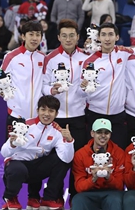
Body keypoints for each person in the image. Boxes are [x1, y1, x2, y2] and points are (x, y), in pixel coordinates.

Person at [42, 19, 89, 200]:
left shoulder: (86, 58)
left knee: (78, 162)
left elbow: (93, 85)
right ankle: (54, 199)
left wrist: (86, 88)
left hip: (79, 117)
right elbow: (43, 86)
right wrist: (51, 91)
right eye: (64, 35)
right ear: (58, 37)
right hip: (57, 119)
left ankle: (76, 199)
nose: (68, 39)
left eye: (72, 35)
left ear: (78, 37)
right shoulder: (51, 58)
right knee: (58, 163)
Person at [1, 95, 74, 209]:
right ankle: (10, 197)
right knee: (18, 169)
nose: (46, 114)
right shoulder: (25, 125)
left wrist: (69, 141)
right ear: (37, 110)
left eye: (51, 111)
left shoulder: (57, 131)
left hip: (36, 168)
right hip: (17, 165)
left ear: (56, 114)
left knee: (61, 161)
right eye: (43, 109)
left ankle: (48, 198)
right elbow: (4, 153)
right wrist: (12, 144)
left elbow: (67, 159)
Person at [0, 20, 44, 140]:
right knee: (12, 152)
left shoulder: (43, 58)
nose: (34, 38)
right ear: (23, 36)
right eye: (31, 34)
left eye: (38, 34)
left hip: (37, 117)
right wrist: (4, 92)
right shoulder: (11, 56)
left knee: (35, 154)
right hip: (16, 115)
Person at [71, 118, 125, 210]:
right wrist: (93, 178)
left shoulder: (119, 153)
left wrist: (108, 177)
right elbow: (79, 187)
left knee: (115, 200)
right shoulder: (80, 154)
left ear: (110, 135)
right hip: (88, 193)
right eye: (99, 132)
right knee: (77, 200)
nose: (103, 136)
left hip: (111, 193)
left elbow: (120, 186)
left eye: (106, 133)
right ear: (92, 133)